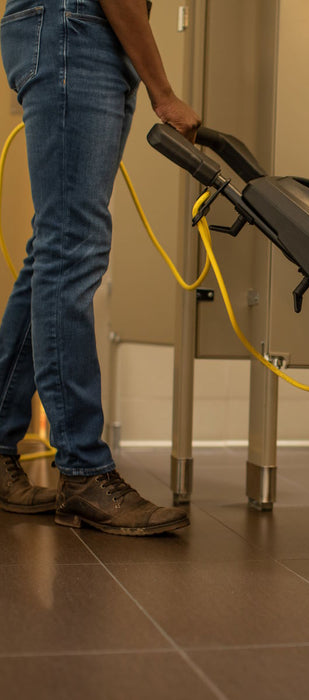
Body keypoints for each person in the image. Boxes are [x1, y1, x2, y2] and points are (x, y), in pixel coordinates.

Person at [0, 0, 200, 534]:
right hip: (74, 33)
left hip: (65, 32)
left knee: (52, 252)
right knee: (69, 251)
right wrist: (164, 92)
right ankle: (84, 471)